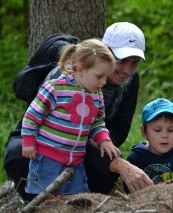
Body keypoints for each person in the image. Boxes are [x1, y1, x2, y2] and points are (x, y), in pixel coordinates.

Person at [4, 22, 153, 201]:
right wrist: (113, 162)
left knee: (106, 173)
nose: (127, 71)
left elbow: (119, 127)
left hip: (81, 147)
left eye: (135, 63)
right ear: (107, 53)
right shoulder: (65, 77)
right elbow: (36, 117)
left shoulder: (128, 81)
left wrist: (102, 146)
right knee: (21, 156)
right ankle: (37, 200)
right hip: (44, 141)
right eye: (121, 61)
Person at [21, 39, 121, 196]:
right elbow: (32, 115)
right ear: (80, 69)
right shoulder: (55, 88)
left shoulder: (97, 95)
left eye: (106, 77)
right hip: (48, 158)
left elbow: (97, 122)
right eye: (99, 76)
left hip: (75, 161)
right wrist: (28, 141)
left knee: (76, 200)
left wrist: (104, 139)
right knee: (46, 200)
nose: (103, 82)